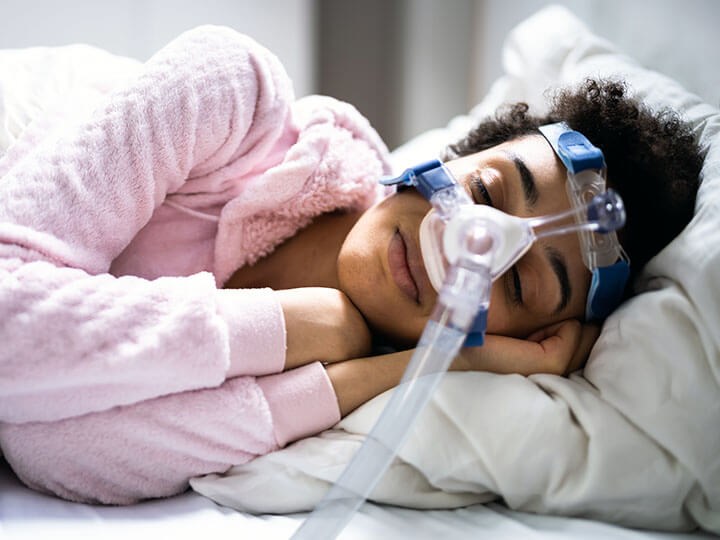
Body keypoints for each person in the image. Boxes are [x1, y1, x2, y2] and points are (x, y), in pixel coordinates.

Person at [0, 26, 702, 504]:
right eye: (486, 193)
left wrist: (383, 367)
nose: (466, 242)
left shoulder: (340, 392)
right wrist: (298, 322)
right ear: (451, 157)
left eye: (517, 281)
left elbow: (63, 454)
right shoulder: (228, 94)